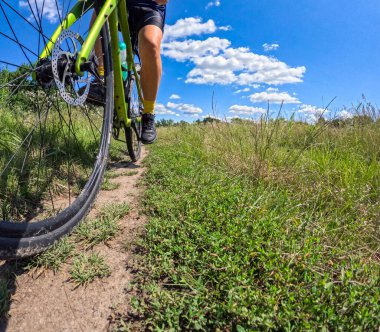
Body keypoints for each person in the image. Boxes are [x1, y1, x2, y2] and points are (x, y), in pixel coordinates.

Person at [89, 0, 168, 144]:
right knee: (99, 14)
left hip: (149, 7)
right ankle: (101, 79)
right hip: (121, 4)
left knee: (150, 44)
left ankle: (148, 113)